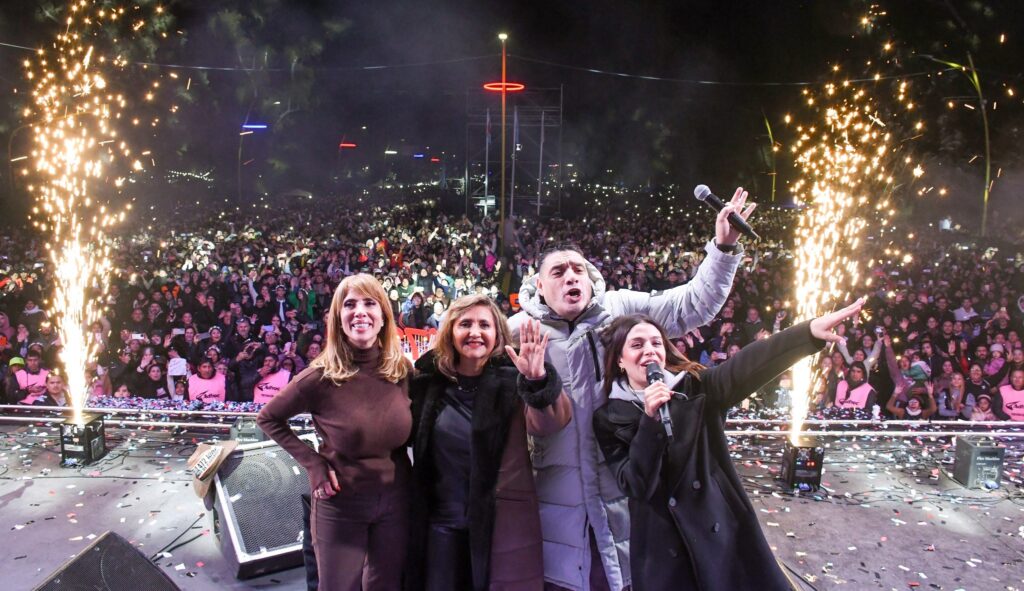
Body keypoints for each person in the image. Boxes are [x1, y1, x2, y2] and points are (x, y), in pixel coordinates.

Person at [509, 188, 754, 591]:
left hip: (623, 489)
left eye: (578, 269)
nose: (571, 276)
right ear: (539, 284)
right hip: (556, 500)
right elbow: (459, 349)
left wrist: (723, 250)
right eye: (559, 271)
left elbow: (692, 305)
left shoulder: (620, 309)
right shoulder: (520, 332)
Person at [592, 299, 863, 591]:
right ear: (620, 360)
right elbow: (635, 485)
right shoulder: (608, 418)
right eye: (637, 344)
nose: (649, 350)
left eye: (656, 342)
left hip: (719, 536)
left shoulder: (696, 387)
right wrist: (650, 421)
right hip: (662, 554)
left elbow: (746, 366)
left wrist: (806, 334)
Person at [257, 273, 411, 591]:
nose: (360, 312)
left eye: (369, 303)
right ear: (338, 318)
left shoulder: (402, 371)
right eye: (350, 304)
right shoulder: (319, 377)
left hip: (396, 503)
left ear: (384, 315)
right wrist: (313, 463)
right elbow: (268, 418)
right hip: (341, 506)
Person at [407, 295, 572, 590]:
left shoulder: (514, 379)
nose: (475, 332)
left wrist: (537, 380)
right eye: (465, 324)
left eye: (484, 325)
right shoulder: (428, 382)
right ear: (450, 331)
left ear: (497, 334)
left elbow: (548, 424)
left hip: (501, 527)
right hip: (440, 527)